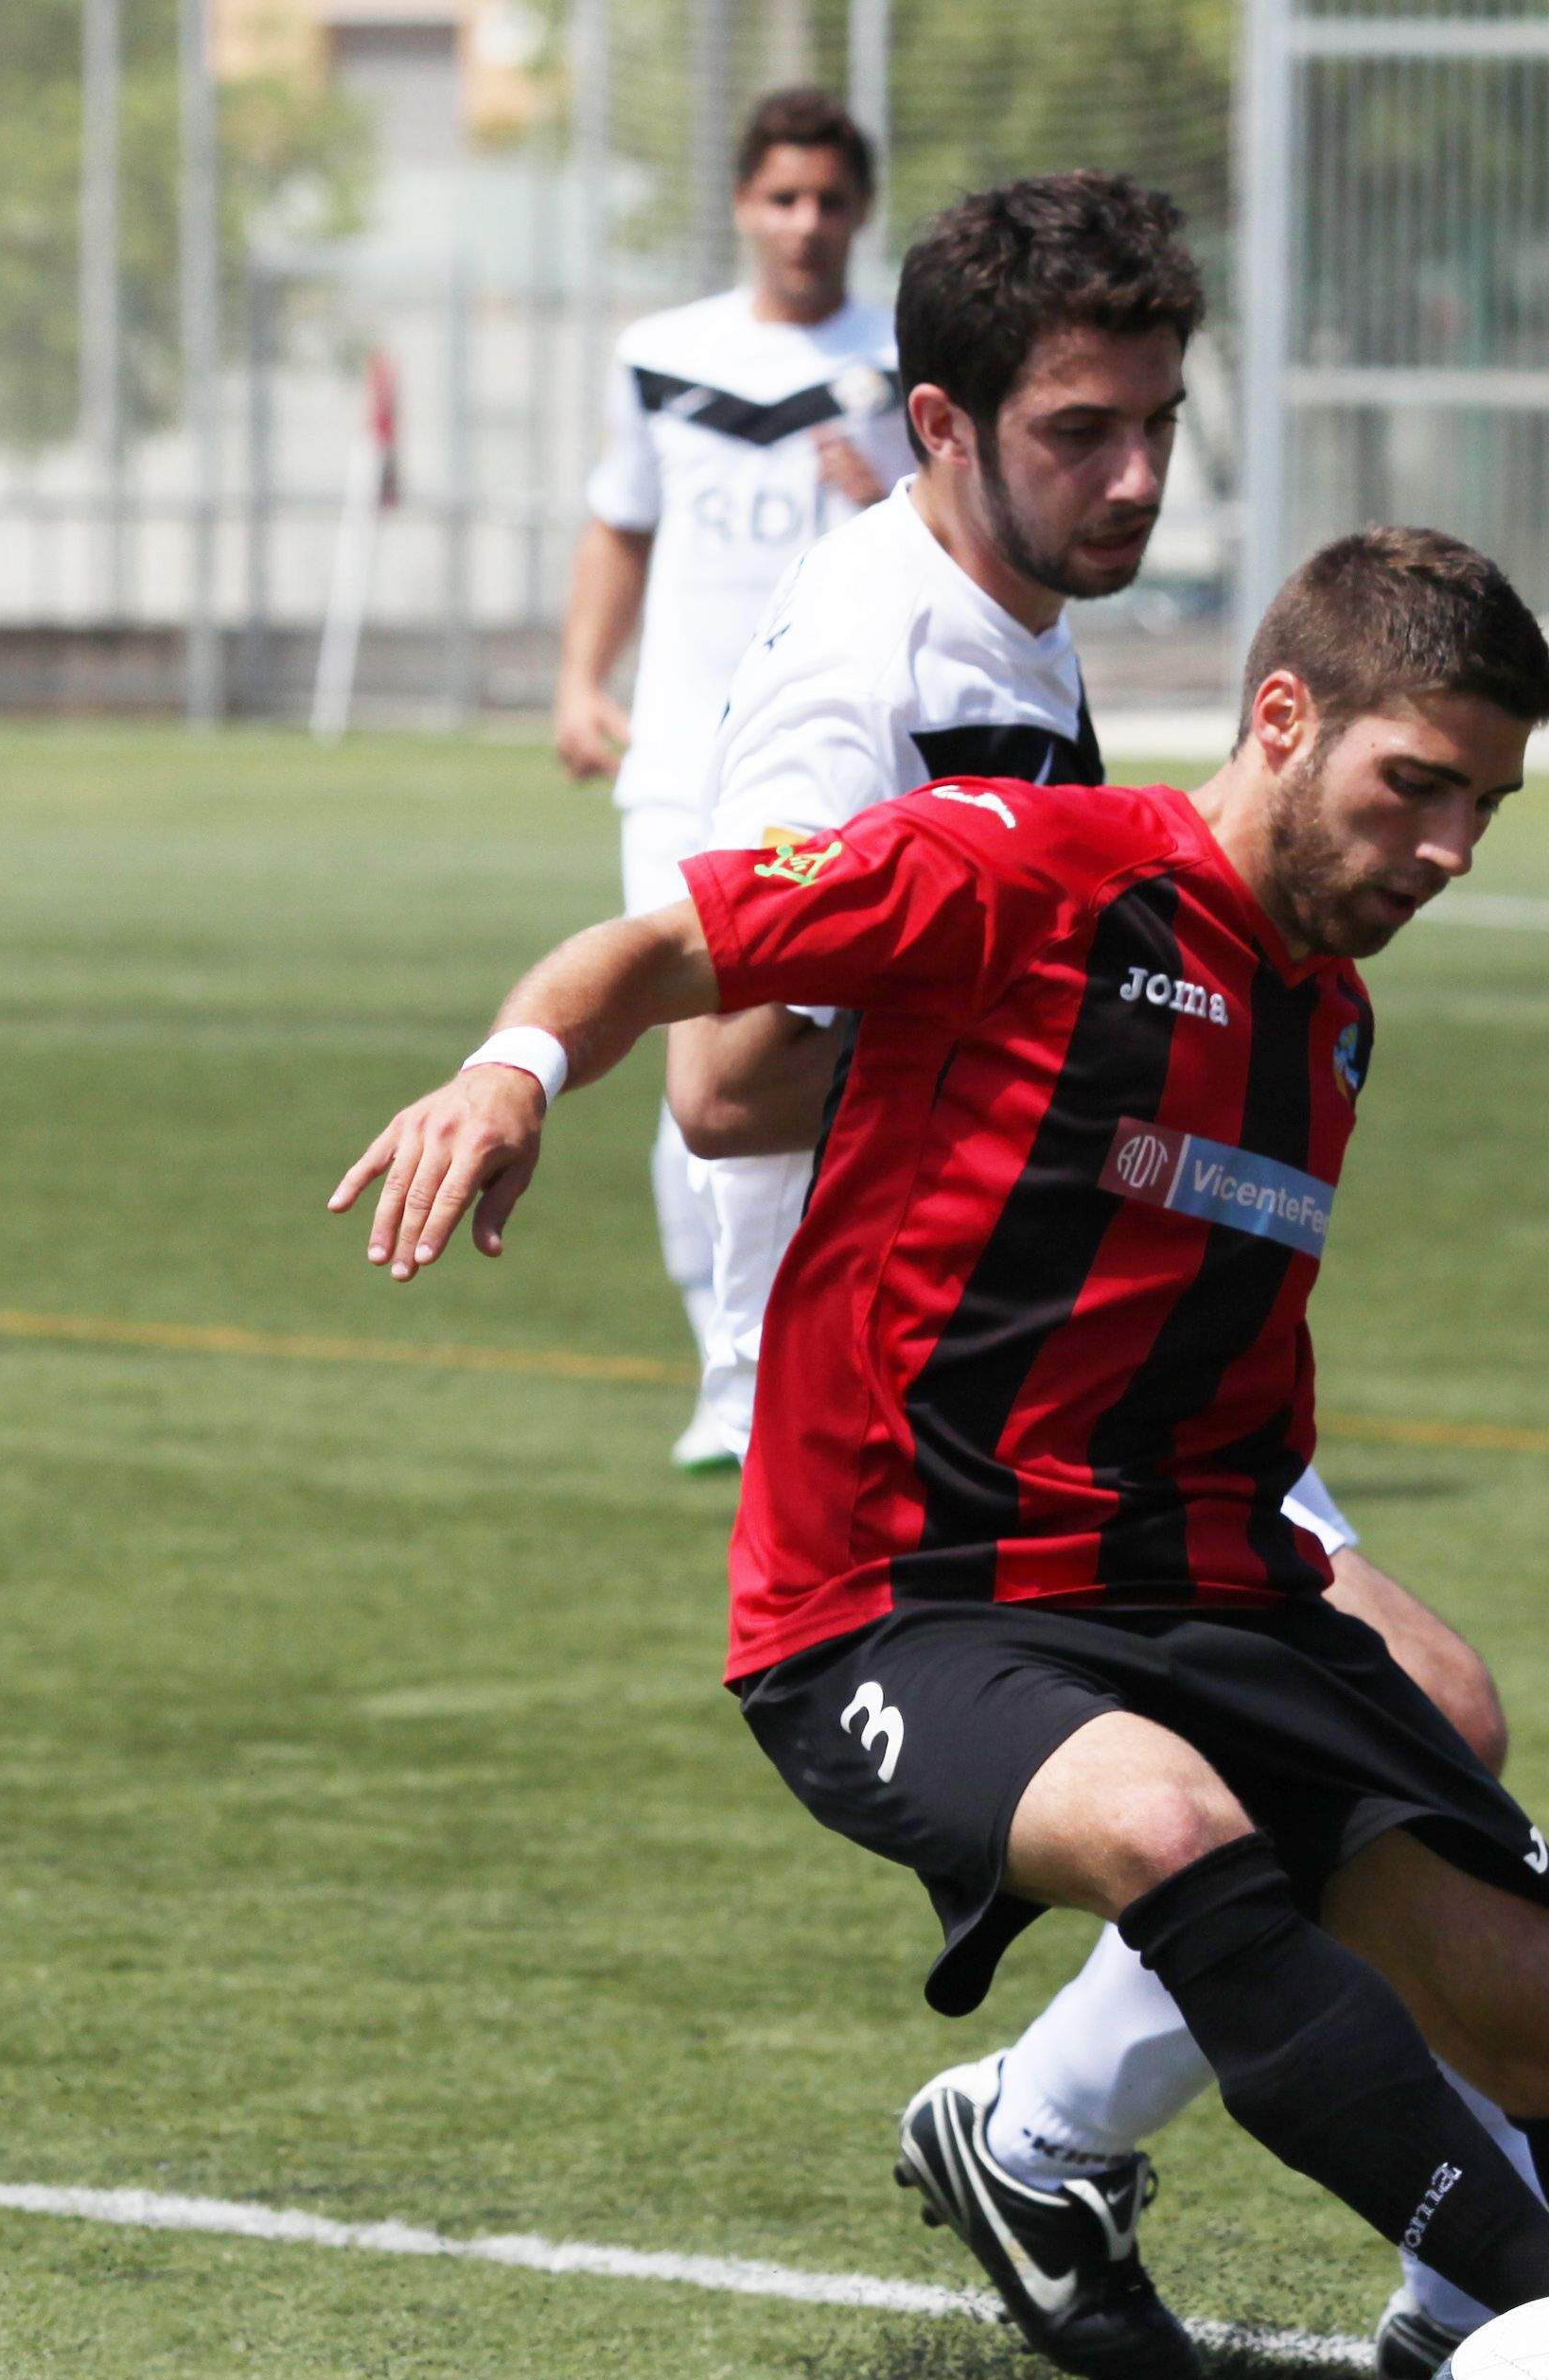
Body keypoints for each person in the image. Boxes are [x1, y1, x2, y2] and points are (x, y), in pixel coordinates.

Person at [331, 525, 1549, 2380]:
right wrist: (512, 1070)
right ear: (1284, 719)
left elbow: (1223, 1376)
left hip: (1192, 1582)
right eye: (1411, 788)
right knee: (1170, 1824)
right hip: (895, 1593)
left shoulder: (1327, 1026)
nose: (1447, 848)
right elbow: (653, 956)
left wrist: (1340, 1607)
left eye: (1484, 811)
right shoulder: (1015, 868)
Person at [665, 171, 1524, 2380]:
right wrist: (1034, 1005)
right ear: (939, 426)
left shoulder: (1010, 612)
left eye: (1154, 420)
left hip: (1129, 1302)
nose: (1132, 473)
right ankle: (1458, 2286)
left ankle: (1069, 2146)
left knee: (1426, 1720)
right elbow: (722, 1076)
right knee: (1398, 1720)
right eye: (1080, 431)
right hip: (951, 1375)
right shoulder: (863, 667)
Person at [556, 90, 910, 1475]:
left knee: (825, 1064)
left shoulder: (905, 362)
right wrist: (578, 678)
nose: (805, 224)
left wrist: (882, 478)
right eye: (781, 198)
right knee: (695, 1065)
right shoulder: (661, 355)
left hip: (846, 763)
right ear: (742, 205)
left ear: (859, 210)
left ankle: (832, 1358)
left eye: (829, 200)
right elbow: (619, 523)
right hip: (686, 766)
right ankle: (732, 1370)